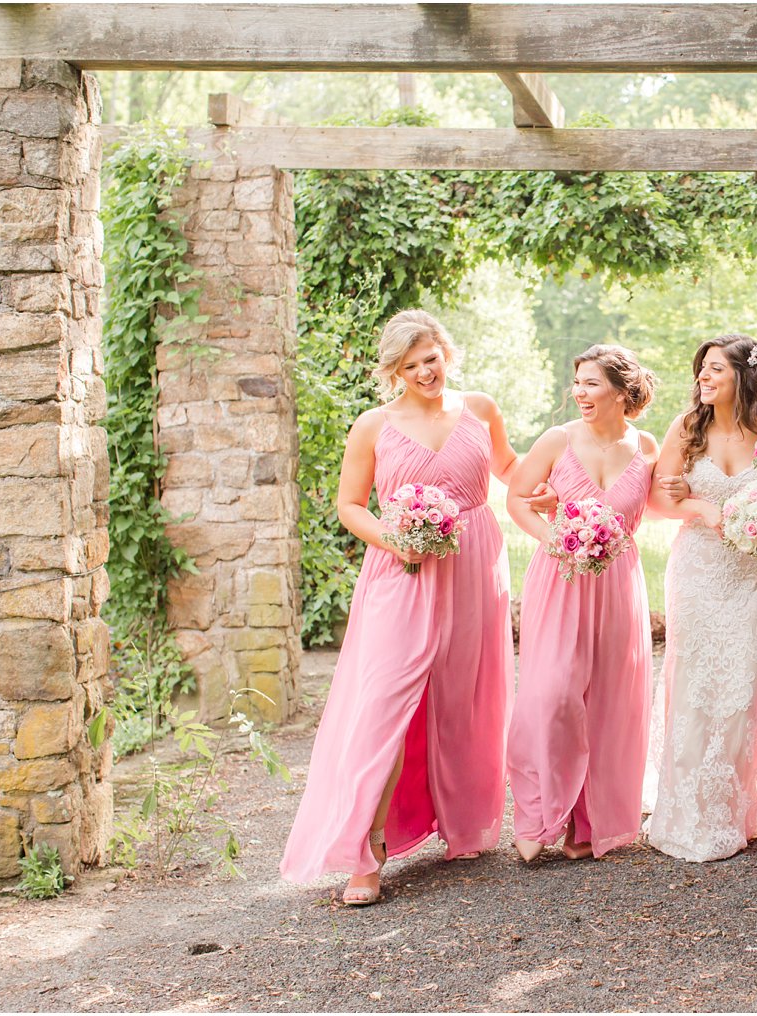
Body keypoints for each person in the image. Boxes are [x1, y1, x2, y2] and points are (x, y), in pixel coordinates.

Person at [280, 309, 537, 905]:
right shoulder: (373, 425)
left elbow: (507, 467)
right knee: (384, 701)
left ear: (448, 353)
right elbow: (351, 506)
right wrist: (399, 540)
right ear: (394, 369)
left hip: (473, 562)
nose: (427, 371)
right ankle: (364, 850)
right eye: (413, 363)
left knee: (462, 693)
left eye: (434, 358)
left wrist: (546, 485)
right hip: (401, 569)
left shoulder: (480, 409)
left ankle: (462, 822)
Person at [505, 344, 659, 862]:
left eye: (591, 383)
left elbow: (660, 503)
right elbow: (517, 500)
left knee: (610, 703)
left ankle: (588, 822)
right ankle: (537, 812)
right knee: (551, 695)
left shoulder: (648, 447)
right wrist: (551, 536)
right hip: (561, 578)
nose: (580, 393)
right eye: (577, 382)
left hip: (619, 584)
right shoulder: (556, 440)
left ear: (621, 391)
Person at [644, 334, 757, 862]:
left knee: (741, 681)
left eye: (716, 371)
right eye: (701, 370)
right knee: (695, 677)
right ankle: (687, 809)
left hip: (750, 572)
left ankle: (734, 805)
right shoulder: (687, 429)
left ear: (742, 378)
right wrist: (703, 510)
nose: (703, 379)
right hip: (699, 569)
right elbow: (659, 497)